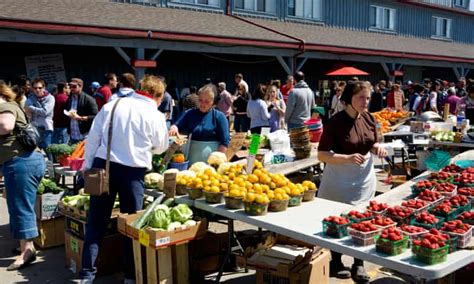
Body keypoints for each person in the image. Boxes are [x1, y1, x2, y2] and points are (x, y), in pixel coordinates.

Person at [80, 75, 169, 283]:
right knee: (132, 227)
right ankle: (130, 276)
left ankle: (87, 275)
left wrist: (87, 167)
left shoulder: (113, 104)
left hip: (104, 167)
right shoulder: (154, 114)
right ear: (158, 96)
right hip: (133, 174)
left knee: (96, 224)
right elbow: (161, 147)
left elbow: (93, 138)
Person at [317, 81, 387, 282]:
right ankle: (336, 260)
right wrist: (346, 158)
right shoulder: (335, 122)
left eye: (368, 98)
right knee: (337, 221)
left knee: (362, 221)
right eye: (361, 98)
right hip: (339, 180)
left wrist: (377, 148)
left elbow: (371, 142)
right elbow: (322, 155)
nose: (366, 102)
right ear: (349, 99)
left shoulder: (368, 118)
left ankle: (359, 263)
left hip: (363, 179)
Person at [0, 83, 45, 270]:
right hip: (22, 162)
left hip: (21, 163)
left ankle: (27, 251)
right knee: (19, 204)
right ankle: (24, 245)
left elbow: (5, 126)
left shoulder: (4, 106)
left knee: (21, 206)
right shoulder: (10, 104)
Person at [169, 84, 230, 164]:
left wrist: (216, 162)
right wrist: (174, 127)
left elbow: (225, 142)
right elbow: (176, 125)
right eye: (200, 100)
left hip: (210, 166)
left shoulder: (219, 117)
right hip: (190, 161)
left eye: (207, 101)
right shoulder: (190, 113)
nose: (202, 104)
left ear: (213, 102)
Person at [25, 78, 55, 152]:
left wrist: (31, 108)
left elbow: (45, 112)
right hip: (34, 128)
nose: (37, 90)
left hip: (46, 128)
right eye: (35, 88)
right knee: (35, 151)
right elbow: (27, 111)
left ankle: (50, 163)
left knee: (48, 150)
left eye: (40, 88)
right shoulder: (30, 99)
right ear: (32, 89)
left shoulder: (50, 98)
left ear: (44, 88)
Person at [65, 78, 98, 144]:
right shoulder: (70, 99)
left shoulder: (89, 99)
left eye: (74, 86)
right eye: (70, 86)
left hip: (85, 135)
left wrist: (81, 118)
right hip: (73, 135)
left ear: (80, 87)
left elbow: (96, 116)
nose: (71, 88)